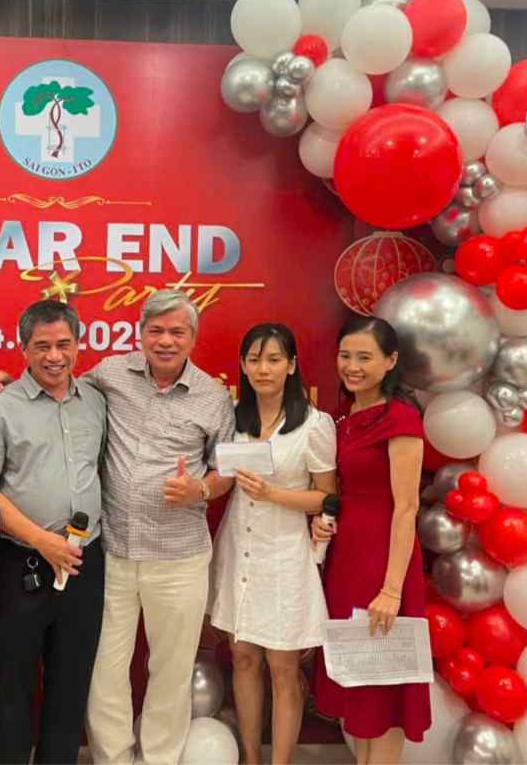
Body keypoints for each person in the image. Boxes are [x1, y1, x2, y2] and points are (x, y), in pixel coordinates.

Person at [0, 289, 235, 765]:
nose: (165, 341)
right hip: (111, 552)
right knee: (103, 673)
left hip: (178, 554)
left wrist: (201, 489)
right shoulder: (110, 375)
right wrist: (7, 385)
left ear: (193, 338)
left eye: (176, 332)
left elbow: (226, 470)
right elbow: (52, 390)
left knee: (171, 671)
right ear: (140, 334)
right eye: (155, 331)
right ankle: (112, 759)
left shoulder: (214, 397)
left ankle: (158, 760)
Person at [0, 299, 108, 765]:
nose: (54, 356)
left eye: (64, 344)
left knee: (71, 687)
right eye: (42, 346)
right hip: (23, 562)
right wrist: (41, 539)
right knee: (14, 688)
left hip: (85, 561)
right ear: (23, 348)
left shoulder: (96, 402)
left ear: (79, 346)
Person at [207, 323, 336, 765]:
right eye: (255, 360)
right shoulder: (233, 418)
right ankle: (251, 757)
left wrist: (273, 494)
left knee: (283, 668)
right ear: (243, 366)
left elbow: (326, 497)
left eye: (274, 359)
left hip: (285, 556)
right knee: (242, 658)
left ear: (292, 366)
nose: (264, 369)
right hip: (237, 548)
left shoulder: (313, 425)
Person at [311, 316, 430, 765]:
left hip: (385, 563)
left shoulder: (400, 417)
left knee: (386, 686)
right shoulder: (345, 419)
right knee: (361, 683)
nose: (352, 366)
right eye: (345, 356)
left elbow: (406, 507)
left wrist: (392, 589)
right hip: (347, 561)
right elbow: (343, 493)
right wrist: (326, 522)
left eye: (364, 357)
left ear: (390, 361)